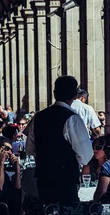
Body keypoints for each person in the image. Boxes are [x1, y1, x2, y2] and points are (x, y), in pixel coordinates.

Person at [26, 76, 93, 204]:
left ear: (54, 93)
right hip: (66, 179)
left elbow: (30, 149)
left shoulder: (38, 117)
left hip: (43, 177)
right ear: (75, 95)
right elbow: (85, 156)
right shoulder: (73, 119)